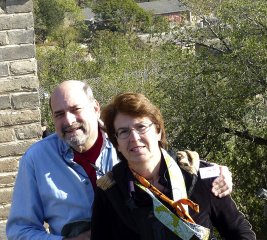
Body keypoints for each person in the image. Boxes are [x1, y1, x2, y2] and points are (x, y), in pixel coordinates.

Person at [7, 81, 232, 240]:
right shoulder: (36, 159)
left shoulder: (127, 141)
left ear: (95, 108)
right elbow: (19, 231)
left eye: (76, 109)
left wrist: (213, 171)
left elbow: (171, 163)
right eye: (59, 114)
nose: (68, 120)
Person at [91, 92, 256, 240]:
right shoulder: (110, 192)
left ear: (158, 131)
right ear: (117, 143)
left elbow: (238, 231)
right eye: (124, 132)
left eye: (141, 127)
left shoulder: (198, 174)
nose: (134, 138)